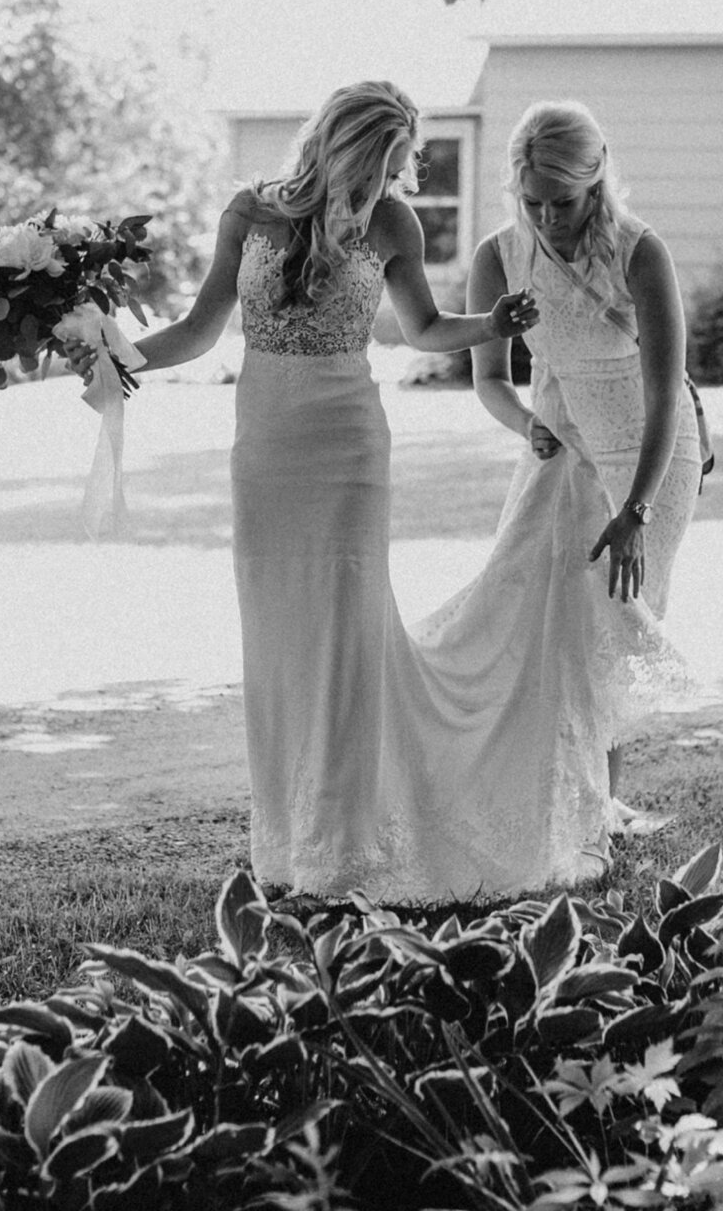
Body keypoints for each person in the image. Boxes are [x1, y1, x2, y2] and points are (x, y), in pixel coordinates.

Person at [115, 80, 571, 903]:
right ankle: (290, 843)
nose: (396, 179)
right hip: (266, 448)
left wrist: (493, 329)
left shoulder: (392, 222)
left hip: (349, 447)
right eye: (388, 161)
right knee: (279, 638)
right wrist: (117, 362)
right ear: (348, 145)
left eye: (400, 164)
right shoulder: (248, 213)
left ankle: (347, 844)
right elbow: (197, 328)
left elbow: (426, 329)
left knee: (346, 636)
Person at [429, 99, 699, 837]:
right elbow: (488, 380)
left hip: (650, 454)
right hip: (561, 450)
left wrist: (636, 512)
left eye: (564, 203)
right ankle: (555, 796)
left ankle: (599, 808)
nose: (547, 219)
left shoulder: (640, 252)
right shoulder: (498, 256)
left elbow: (664, 387)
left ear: (597, 180)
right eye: (532, 203)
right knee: (541, 621)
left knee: (614, 627)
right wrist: (529, 427)